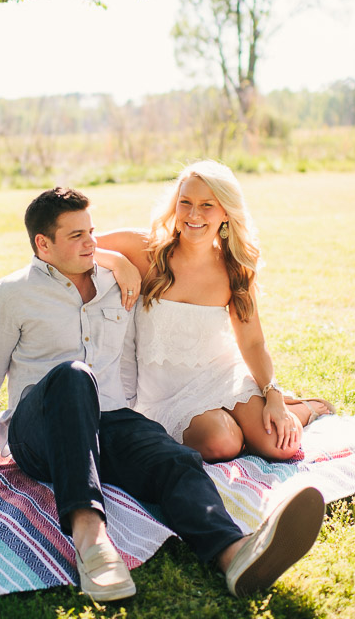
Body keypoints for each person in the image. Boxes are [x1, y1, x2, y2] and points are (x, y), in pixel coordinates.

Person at [0, 186, 325, 603]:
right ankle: (92, 540)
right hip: (38, 431)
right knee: (73, 376)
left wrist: (118, 261)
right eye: (76, 235)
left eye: (92, 232)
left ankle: (233, 553)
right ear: (43, 245)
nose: (91, 243)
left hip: (109, 421)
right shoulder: (10, 295)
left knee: (174, 458)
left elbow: (175, 281)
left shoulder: (117, 284)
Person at [96, 160, 335, 464]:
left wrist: (272, 396)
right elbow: (77, 244)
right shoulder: (146, 250)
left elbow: (252, 342)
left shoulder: (235, 269)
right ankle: (242, 424)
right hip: (167, 392)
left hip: (222, 375)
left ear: (225, 212)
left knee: (281, 446)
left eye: (207, 205)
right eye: (186, 203)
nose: (194, 215)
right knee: (223, 443)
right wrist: (118, 262)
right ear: (175, 205)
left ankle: (302, 408)